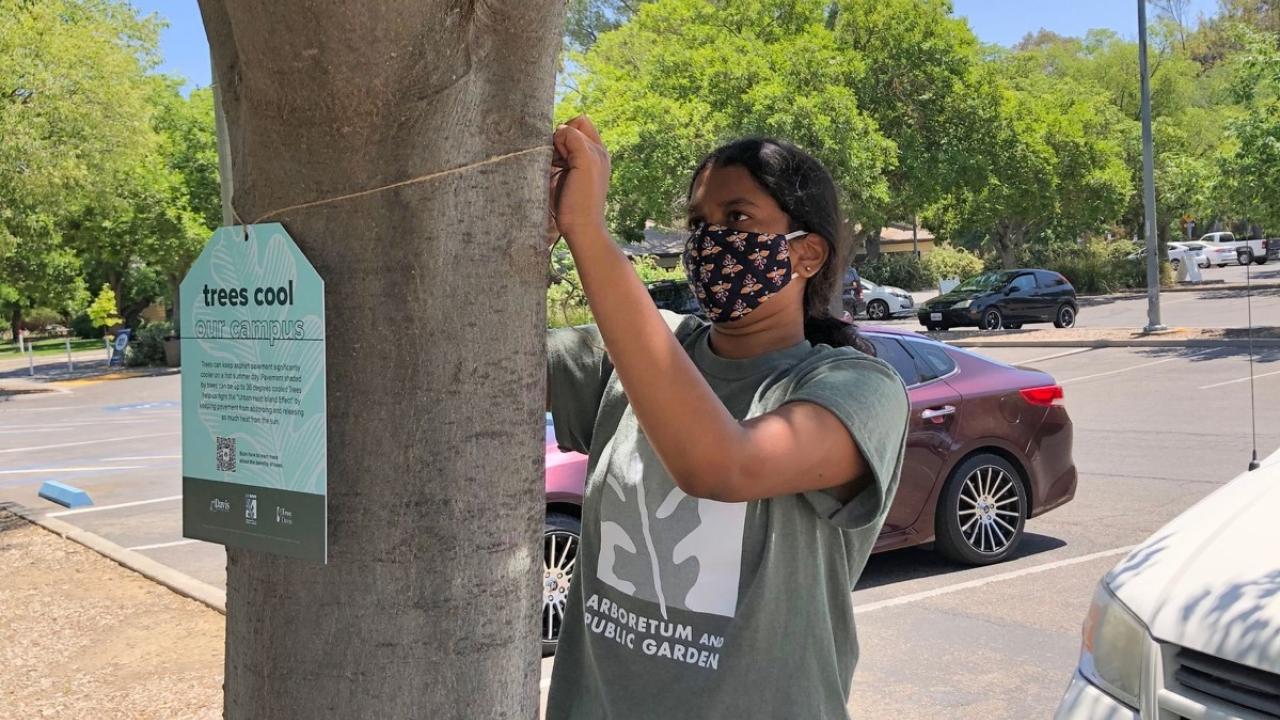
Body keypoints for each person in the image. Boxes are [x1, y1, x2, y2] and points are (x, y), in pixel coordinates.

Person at [545, 116, 910, 720]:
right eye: (699, 224)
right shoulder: (639, 350)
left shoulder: (857, 388)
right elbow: (491, 367)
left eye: (738, 219)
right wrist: (531, 237)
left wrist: (587, 230)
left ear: (808, 253)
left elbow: (722, 466)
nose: (710, 241)